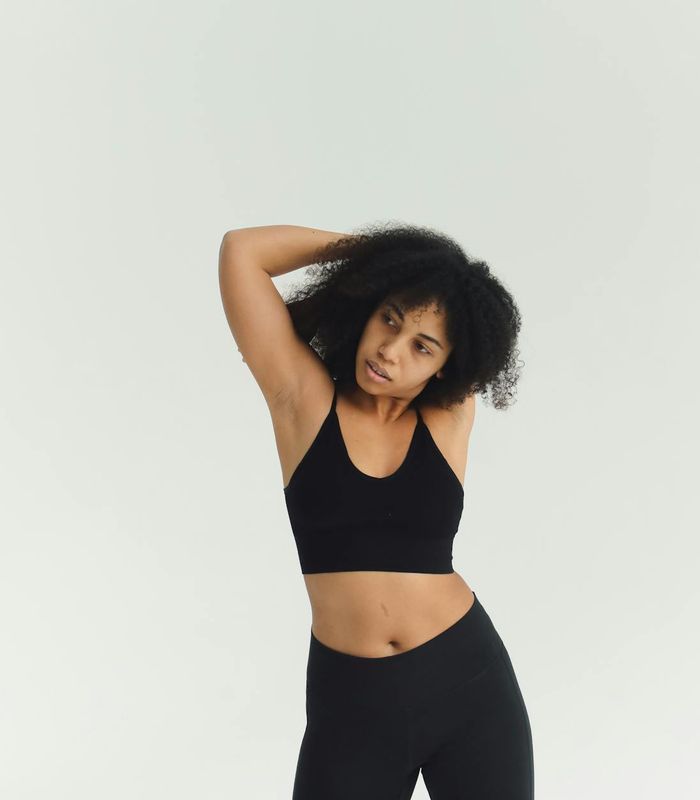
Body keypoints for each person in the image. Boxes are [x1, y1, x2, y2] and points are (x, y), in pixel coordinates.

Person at [218, 222, 534, 799]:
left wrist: (416, 279)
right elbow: (243, 252)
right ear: (368, 305)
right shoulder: (303, 399)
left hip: (468, 682)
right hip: (353, 701)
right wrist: (381, 256)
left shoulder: (449, 417)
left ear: (446, 365)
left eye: (422, 345)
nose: (391, 350)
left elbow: (466, 313)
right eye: (389, 317)